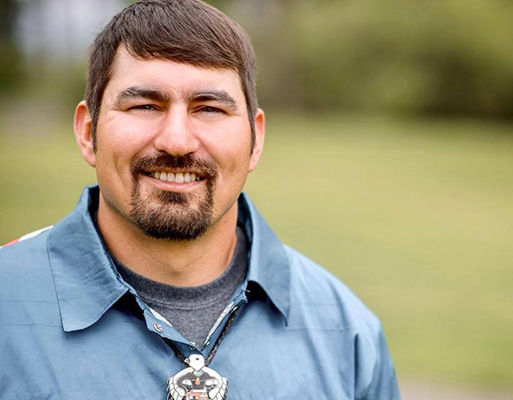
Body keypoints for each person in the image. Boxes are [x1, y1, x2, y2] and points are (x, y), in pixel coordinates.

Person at [0, 1, 400, 399]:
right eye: (144, 105)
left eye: (209, 108)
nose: (177, 140)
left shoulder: (347, 332)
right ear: (89, 132)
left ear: (255, 139)